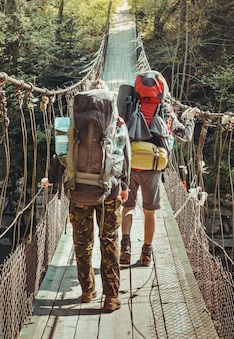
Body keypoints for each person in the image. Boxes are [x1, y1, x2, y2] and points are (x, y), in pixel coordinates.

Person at [55, 79, 131, 312]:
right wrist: (125, 185)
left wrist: (56, 179)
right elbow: (125, 157)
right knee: (109, 241)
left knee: (82, 242)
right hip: (109, 190)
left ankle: (87, 291)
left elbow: (60, 153)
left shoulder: (70, 124)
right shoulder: (117, 123)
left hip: (78, 190)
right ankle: (111, 297)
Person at [120, 105, 198, 267]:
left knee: (128, 208)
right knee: (150, 212)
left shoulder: (131, 106)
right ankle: (146, 254)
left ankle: (125, 246)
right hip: (152, 168)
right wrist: (190, 118)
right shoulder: (166, 112)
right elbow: (186, 135)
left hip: (131, 165)